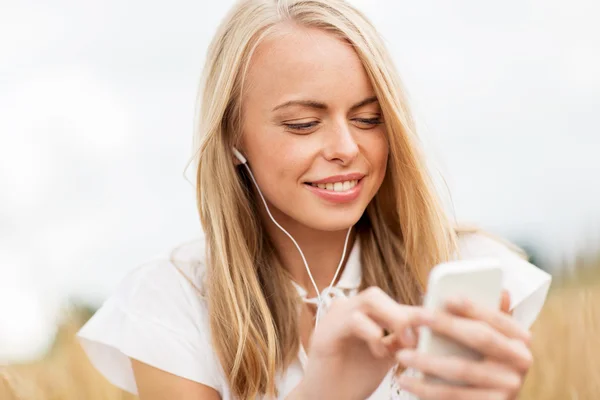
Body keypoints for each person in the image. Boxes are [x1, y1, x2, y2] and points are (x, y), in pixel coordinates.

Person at [77, 0, 552, 398]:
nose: (347, 148)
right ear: (231, 139)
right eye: (303, 124)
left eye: (368, 119)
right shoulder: (174, 300)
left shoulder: (464, 265)